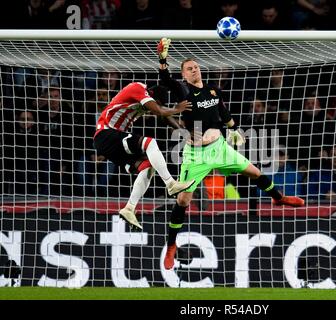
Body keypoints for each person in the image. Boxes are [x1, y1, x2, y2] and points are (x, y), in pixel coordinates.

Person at [156, 38, 305, 270]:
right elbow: (165, 79)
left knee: (255, 172)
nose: (193, 70)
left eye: (195, 66)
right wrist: (163, 59)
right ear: (184, 76)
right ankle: (172, 245)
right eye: (188, 68)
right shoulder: (183, 91)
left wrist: (234, 129)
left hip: (221, 148)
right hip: (197, 153)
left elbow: (223, 111)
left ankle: (279, 198)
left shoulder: (213, 90)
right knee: (183, 199)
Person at [93, 81, 195, 230]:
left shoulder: (144, 99)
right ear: (152, 96)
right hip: (106, 133)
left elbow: (163, 116)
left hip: (112, 141)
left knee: (148, 166)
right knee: (149, 143)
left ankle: (129, 208)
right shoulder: (137, 88)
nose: (155, 107)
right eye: (158, 103)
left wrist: (183, 132)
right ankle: (171, 184)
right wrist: (176, 109)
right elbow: (160, 111)